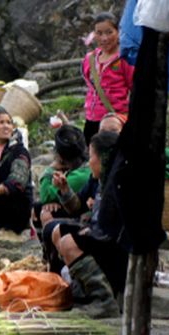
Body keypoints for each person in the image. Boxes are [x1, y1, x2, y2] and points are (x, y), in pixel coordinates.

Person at [51, 131, 125, 318]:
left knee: (69, 242)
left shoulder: (119, 183)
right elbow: (77, 208)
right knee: (57, 231)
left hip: (118, 245)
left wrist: (90, 233)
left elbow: (114, 228)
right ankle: (80, 290)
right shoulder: (97, 179)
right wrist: (65, 190)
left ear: (104, 158)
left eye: (92, 156)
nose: (89, 161)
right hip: (99, 233)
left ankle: (104, 300)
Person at [81, 12, 134, 144]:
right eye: (99, 33)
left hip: (114, 121)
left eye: (109, 32)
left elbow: (135, 88)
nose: (104, 38)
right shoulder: (90, 59)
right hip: (92, 120)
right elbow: (90, 87)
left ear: (118, 32)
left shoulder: (124, 59)